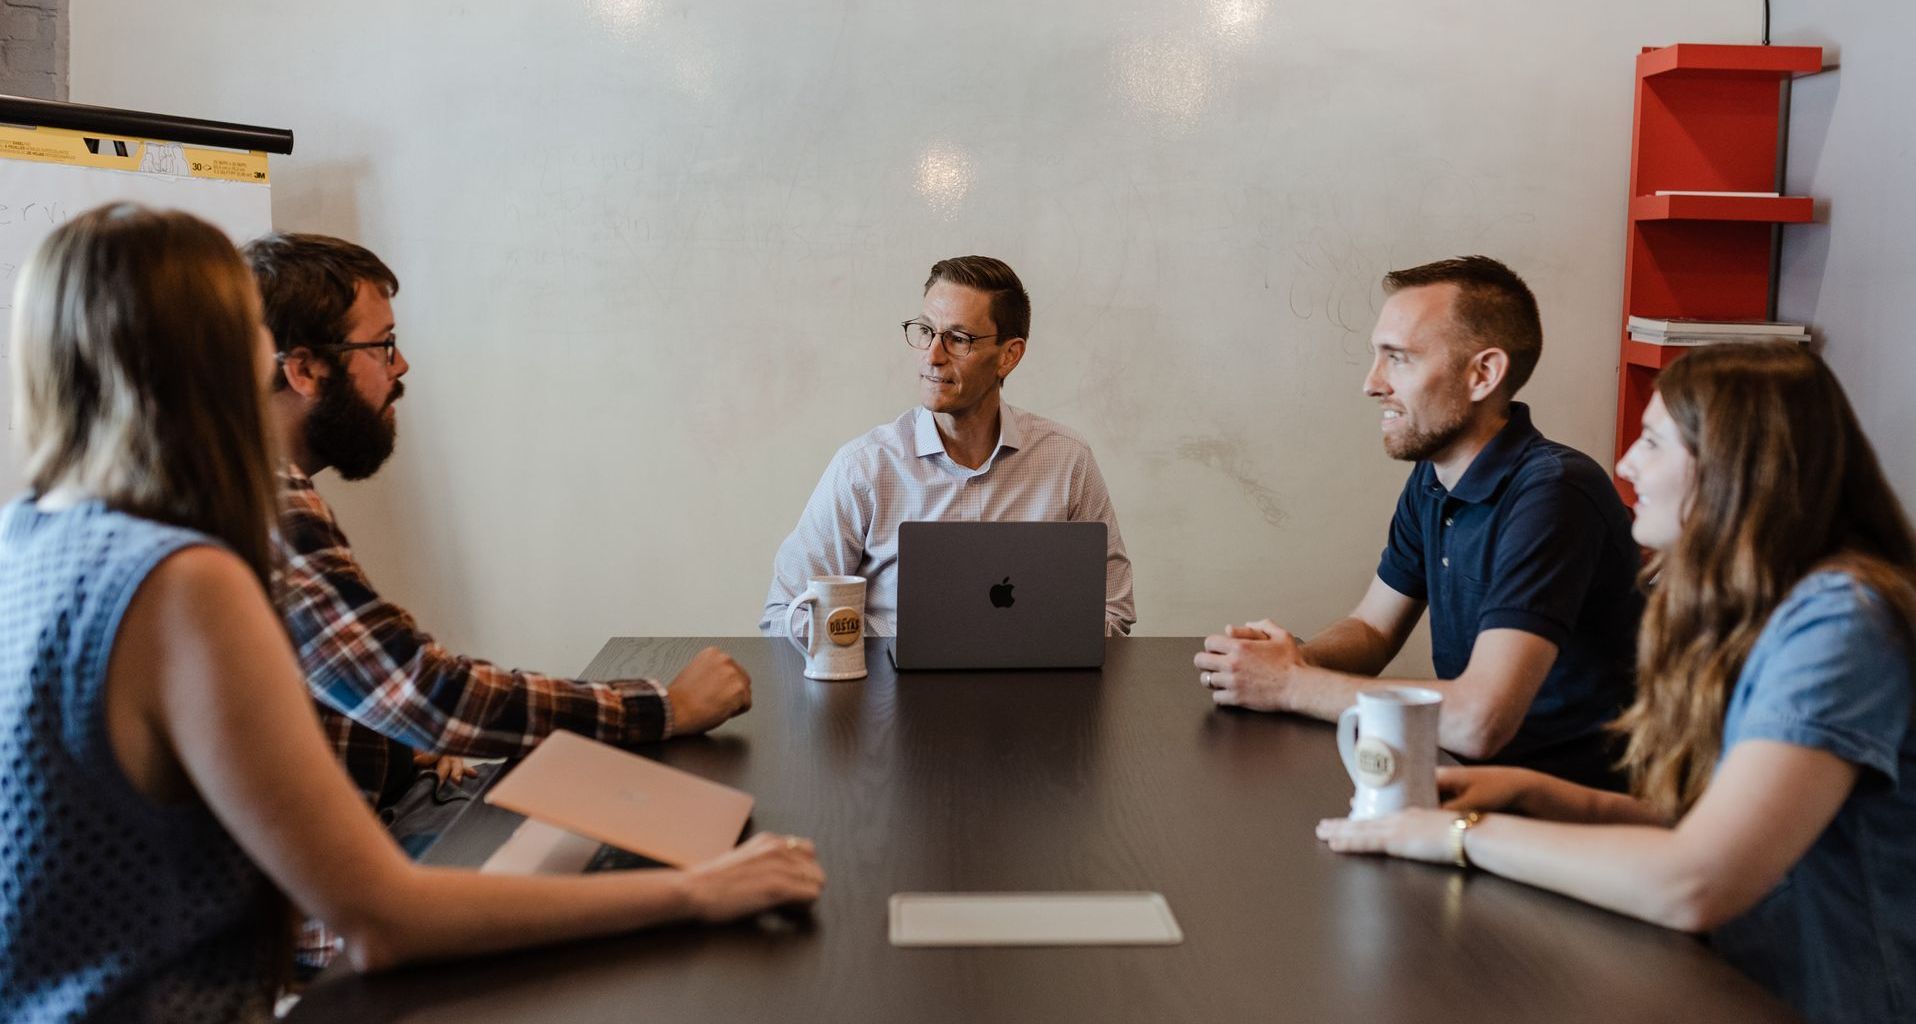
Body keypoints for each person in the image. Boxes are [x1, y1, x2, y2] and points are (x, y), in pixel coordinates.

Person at [0, 205, 823, 1024]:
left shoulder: (33, 535)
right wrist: (694, 891)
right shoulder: (191, 574)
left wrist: (405, 759)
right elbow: (383, 921)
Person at [1318, 342, 1916, 1024]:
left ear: (1737, 467)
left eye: (1653, 441)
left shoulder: (1842, 624)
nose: (1627, 463)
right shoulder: (1761, 609)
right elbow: (1702, 825)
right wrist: (1530, 794)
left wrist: (1460, 834)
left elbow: (1696, 880)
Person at [245, 231, 751, 811]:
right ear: (306, 371)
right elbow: (429, 697)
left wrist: (398, 751)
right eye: (383, 345)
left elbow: (343, 693)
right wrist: (668, 707)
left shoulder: (248, 488)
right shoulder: (271, 506)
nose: (401, 366)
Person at [1195, 256, 1641, 789]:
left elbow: (1480, 720)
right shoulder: (1434, 478)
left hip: (1569, 810)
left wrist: (1290, 685)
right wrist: (1293, 659)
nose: (1371, 384)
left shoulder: (1554, 493)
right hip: (1464, 781)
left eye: (1397, 358)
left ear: (1483, 374)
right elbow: (1372, 630)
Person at [762, 255, 1135, 635]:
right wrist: (886, 643)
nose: (932, 356)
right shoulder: (865, 466)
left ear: (1009, 355)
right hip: (889, 689)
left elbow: (1113, 609)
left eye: (958, 339)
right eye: (926, 331)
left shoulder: (1067, 459)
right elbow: (784, 614)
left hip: (1031, 690)